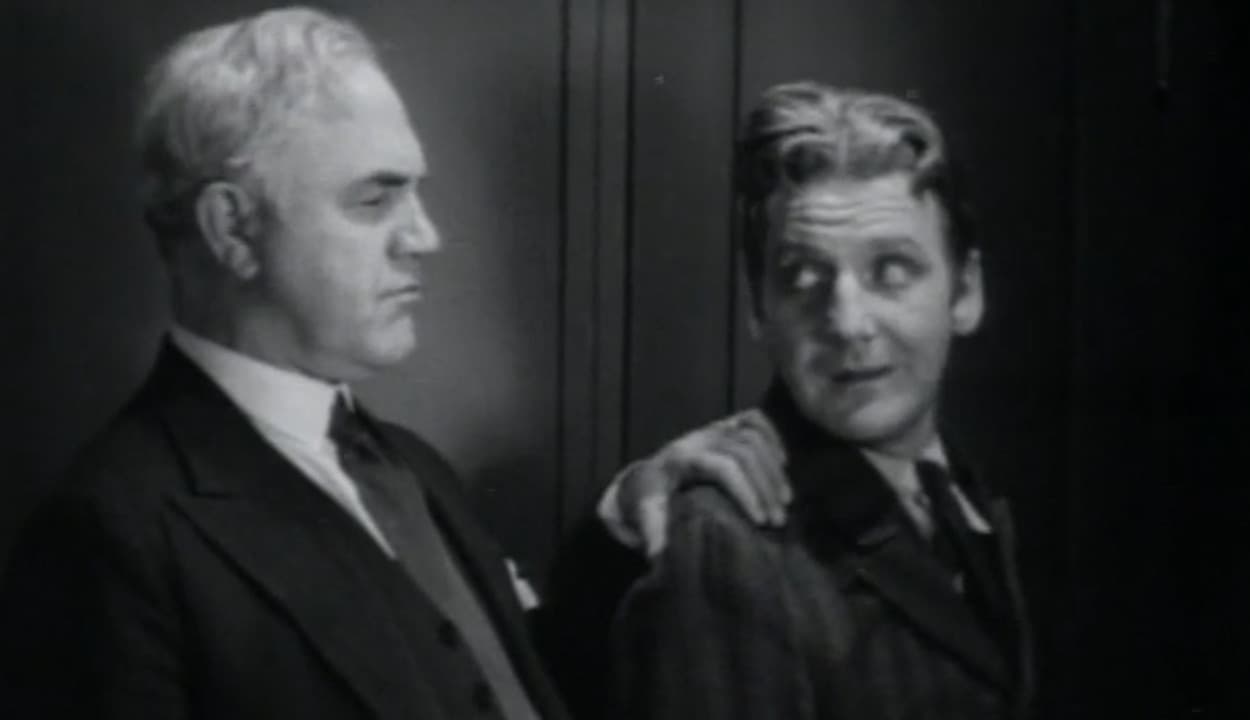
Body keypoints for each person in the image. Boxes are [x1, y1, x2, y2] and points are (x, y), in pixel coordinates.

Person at [0, 8, 575, 718]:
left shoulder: (417, 470)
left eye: (416, 193)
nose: (425, 236)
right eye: (375, 199)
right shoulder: (113, 532)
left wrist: (623, 524)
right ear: (233, 229)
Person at [605, 82, 1036, 720]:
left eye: (891, 271)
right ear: (759, 310)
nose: (848, 323)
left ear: (964, 293)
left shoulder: (960, 494)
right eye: (803, 278)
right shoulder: (727, 547)